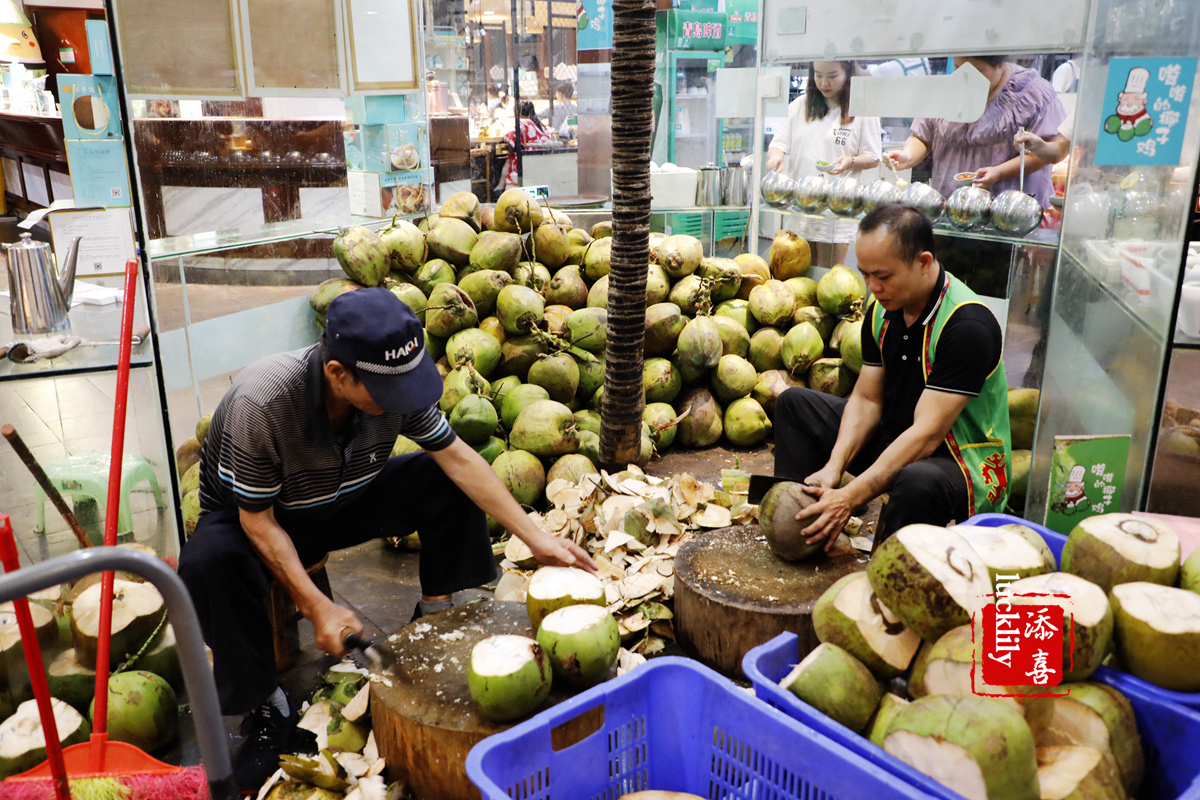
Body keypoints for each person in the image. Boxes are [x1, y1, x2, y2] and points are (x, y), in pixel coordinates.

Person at [178, 289, 595, 790]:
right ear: (338, 374)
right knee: (206, 561)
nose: (402, 403)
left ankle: (436, 611)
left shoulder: (391, 388)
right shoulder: (262, 402)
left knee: (443, 475)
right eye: (388, 393)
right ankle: (265, 706)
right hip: (264, 517)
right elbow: (257, 523)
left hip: (343, 497)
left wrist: (535, 536)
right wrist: (316, 606)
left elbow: (459, 456)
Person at [773, 205, 1011, 550]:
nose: (872, 287)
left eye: (883, 277)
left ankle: (889, 569)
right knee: (794, 404)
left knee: (918, 480)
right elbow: (867, 399)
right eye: (865, 274)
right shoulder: (882, 311)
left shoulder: (967, 326)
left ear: (924, 262)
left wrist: (851, 496)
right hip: (898, 433)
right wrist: (834, 466)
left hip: (957, 459)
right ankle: (803, 527)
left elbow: (927, 435)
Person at [885, 56, 1066, 207]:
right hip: (952, 207)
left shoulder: (1031, 93)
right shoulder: (946, 89)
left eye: (977, 72)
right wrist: (908, 156)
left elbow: (1047, 152)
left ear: (1001, 65)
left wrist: (999, 172)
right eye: (957, 67)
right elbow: (922, 136)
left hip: (1009, 212)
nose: (965, 78)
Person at [765, 61, 882, 266]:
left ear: (848, 73)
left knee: (829, 276)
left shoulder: (862, 108)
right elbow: (778, 144)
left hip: (837, 209)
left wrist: (851, 161)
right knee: (798, 273)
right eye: (818, 75)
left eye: (832, 76)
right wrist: (776, 157)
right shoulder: (799, 106)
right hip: (801, 207)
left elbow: (873, 156)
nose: (824, 83)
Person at [501, 100, 553, 188]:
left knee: (510, 158)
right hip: (543, 162)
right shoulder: (539, 124)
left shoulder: (523, 122)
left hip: (529, 163)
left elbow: (508, 135)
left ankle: (500, 187)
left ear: (519, 114)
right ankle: (500, 186)